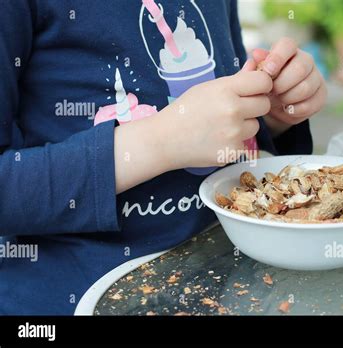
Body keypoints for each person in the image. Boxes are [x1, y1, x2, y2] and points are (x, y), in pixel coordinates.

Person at [0, 0, 326, 314]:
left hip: (226, 278)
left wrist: (273, 112)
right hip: (72, 296)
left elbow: (231, 134)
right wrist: (160, 142)